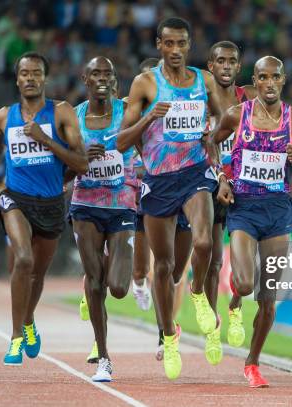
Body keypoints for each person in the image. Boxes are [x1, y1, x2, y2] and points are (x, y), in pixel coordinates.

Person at [117, 17, 223, 380]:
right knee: (164, 267)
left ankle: (198, 295)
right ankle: (168, 336)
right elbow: (120, 141)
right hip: (159, 181)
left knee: (206, 241)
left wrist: (213, 139)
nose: (176, 51)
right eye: (169, 44)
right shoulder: (145, 83)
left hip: (195, 173)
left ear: (189, 46)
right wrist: (149, 119)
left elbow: (223, 120)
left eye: (182, 44)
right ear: (158, 45)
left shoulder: (203, 80)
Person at [0, 51, 88, 366]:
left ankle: (28, 321)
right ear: (17, 79)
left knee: (38, 274)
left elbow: (81, 163)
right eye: (24, 73)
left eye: (36, 73)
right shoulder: (4, 115)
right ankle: (15, 338)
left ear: (45, 78)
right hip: (15, 198)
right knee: (23, 259)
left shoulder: (61, 113)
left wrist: (45, 140)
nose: (30, 78)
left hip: (52, 201)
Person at [213, 56, 292, 387]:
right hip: (244, 208)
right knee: (243, 282)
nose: (269, 83)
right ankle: (235, 301)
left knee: (268, 298)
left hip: (278, 209)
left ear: (283, 80)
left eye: (276, 77)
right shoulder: (236, 115)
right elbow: (212, 145)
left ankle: (252, 363)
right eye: (263, 78)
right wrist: (222, 179)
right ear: (254, 80)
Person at [65, 56, 139, 382]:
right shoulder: (74, 116)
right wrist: (80, 160)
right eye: (95, 73)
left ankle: (109, 256)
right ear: (85, 77)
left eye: (107, 73)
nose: (101, 78)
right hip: (85, 205)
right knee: (96, 284)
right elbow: (65, 171)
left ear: (113, 79)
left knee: (119, 287)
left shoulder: (126, 112)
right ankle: (104, 357)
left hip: (121, 204)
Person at [129, 57, 194, 361]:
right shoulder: (129, 110)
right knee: (143, 268)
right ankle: (138, 281)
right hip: (139, 193)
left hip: (174, 190)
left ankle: (165, 332)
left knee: (170, 270)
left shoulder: (178, 107)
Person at [203, 40, 257, 365]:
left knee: (243, 265)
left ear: (238, 67)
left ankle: (235, 306)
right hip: (210, 182)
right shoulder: (200, 101)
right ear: (210, 65)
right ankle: (212, 327)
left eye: (231, 61)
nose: (225, 66)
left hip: (245, 185)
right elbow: (205, 143)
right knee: (211, 260)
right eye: (219, 61)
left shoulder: (249, 97)